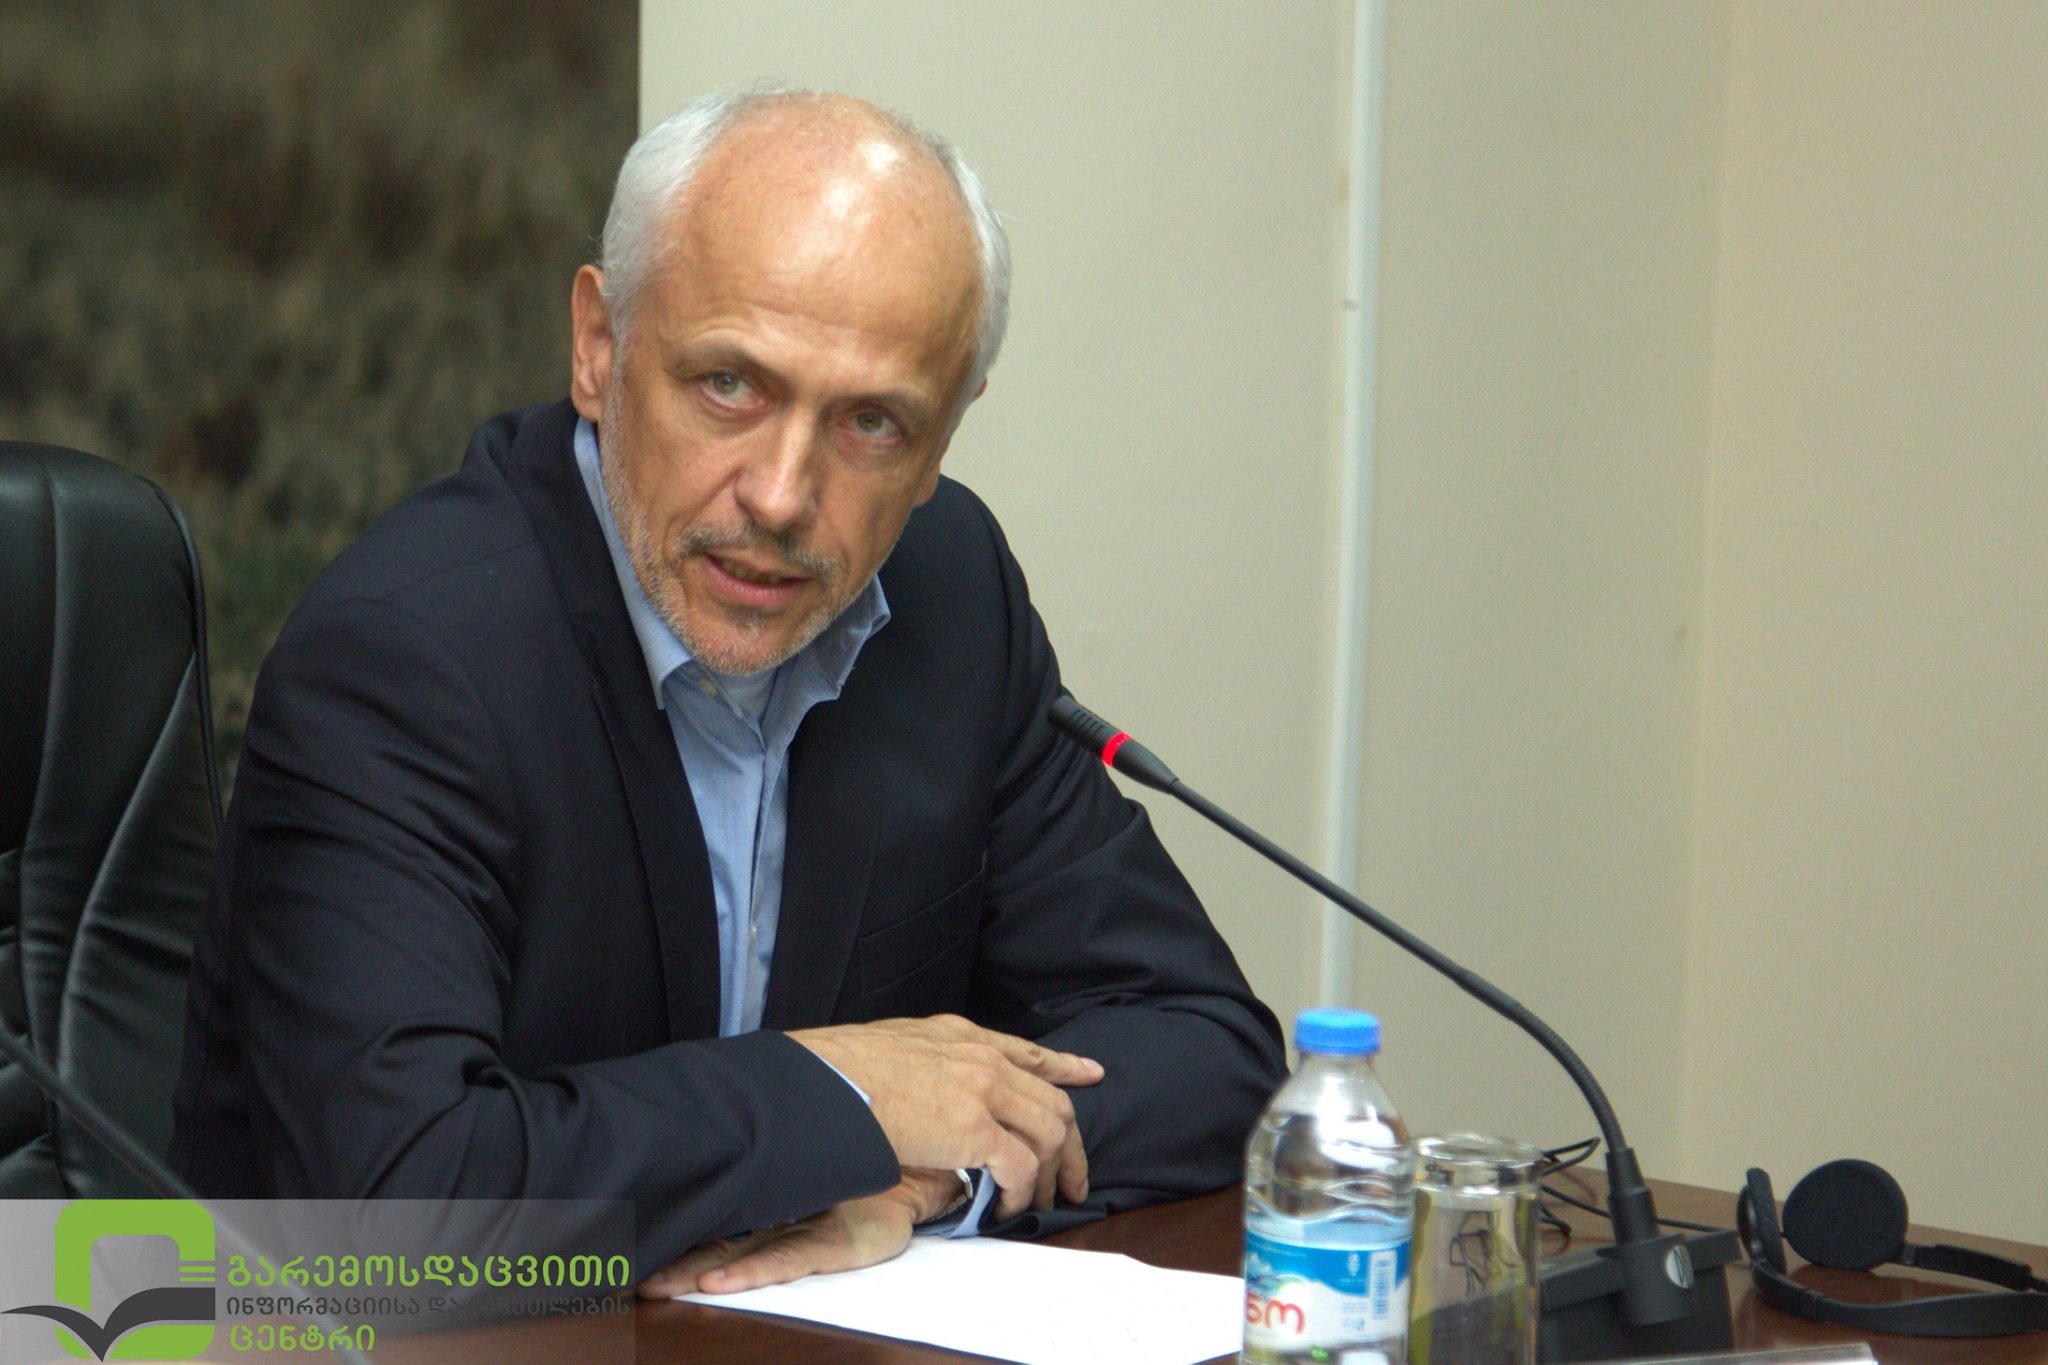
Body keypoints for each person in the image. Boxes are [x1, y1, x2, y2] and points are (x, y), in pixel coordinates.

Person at [170, 88, 1283, 1294]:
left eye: (871, 423)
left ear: (942, 441)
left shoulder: (948, 595)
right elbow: (396, 1209)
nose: (781, 496)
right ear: (598, 347)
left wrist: (922, 1179)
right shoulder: (406, 657)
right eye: (729, 386)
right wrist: (846, 1097)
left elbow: (1204, 1049)